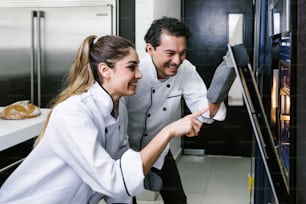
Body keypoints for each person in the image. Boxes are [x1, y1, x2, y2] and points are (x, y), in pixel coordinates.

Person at [0, 35, 207, 204]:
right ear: (105, 70)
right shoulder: (74, 113)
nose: (139, 75)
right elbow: (113, 180)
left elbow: (120, 167)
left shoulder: (119, 109)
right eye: (132, 67)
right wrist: (168, 131)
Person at [123, 17, 227, 204]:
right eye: (170, 53)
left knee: (177, 199)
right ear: (150, 49)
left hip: (159, 146)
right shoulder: (134, 72)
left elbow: (206, 110)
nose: (177, 61)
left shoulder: (186, 70)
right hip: (125, 149)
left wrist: (220, 87)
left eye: (182, 53)